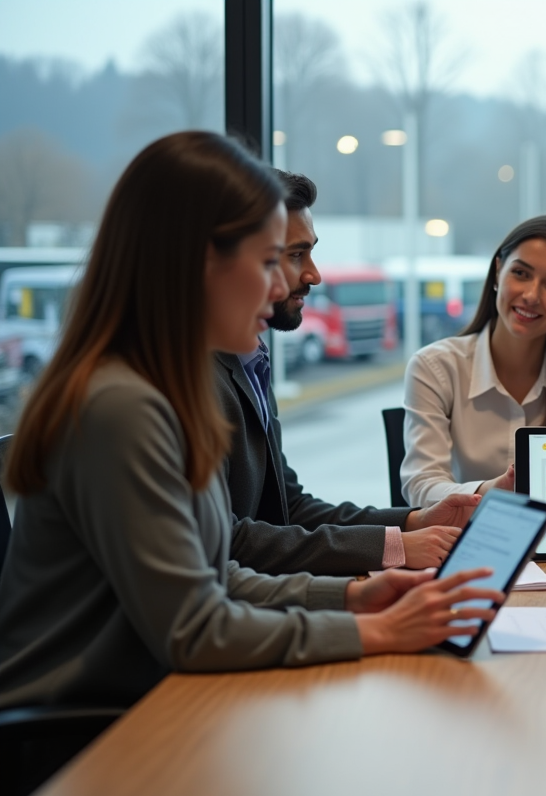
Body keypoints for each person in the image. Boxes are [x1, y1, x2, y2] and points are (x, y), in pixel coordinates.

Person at [0, 132, 503, 712]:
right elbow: (195, 627)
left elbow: (217, 578)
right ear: (198, 263)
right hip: (84, 738)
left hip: (149, 701)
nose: (284, 284)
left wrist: (354, 600)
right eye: (270, 261)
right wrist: (377, 629)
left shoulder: (166, 389)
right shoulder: (121, 406)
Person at [214, 169, 472, 576]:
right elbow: (228, 541)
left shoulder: (249, 363)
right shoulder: (193, 380)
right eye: (295, 255)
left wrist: (412, 522)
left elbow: (289, 506)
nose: (314, 275)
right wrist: (394, 550)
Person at [401, 215, 546, 507]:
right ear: (497, 272)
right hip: (465, 540)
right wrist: (491, 490)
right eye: (520, 273)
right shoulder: (434, 367)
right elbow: (421, 484)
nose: (531, 295)